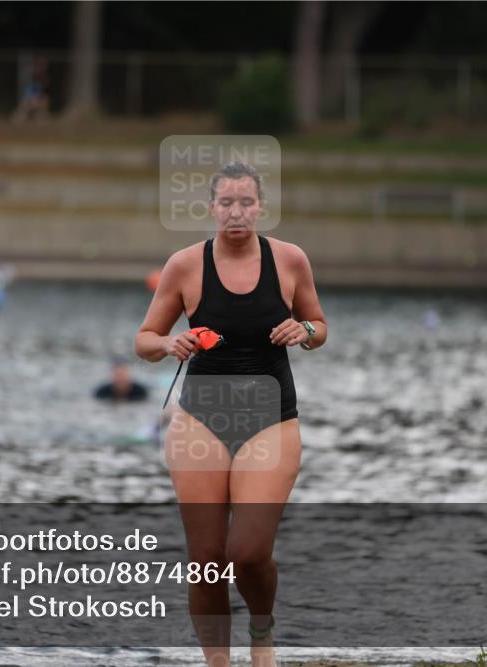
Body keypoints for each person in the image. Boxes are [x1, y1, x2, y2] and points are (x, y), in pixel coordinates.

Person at [134, 162, 327, 667]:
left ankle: (262, 632)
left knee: (247, 552)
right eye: (226, 203)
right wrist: (169, 343)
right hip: (200, 420)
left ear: (260, 207)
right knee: (206, 561)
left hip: (271, 419)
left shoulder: (290, 260)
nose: (236, 212)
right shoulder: (184, 265)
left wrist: (304, 331)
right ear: (211, 208)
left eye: (246, 202)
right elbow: (144, 340)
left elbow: (319, 325)